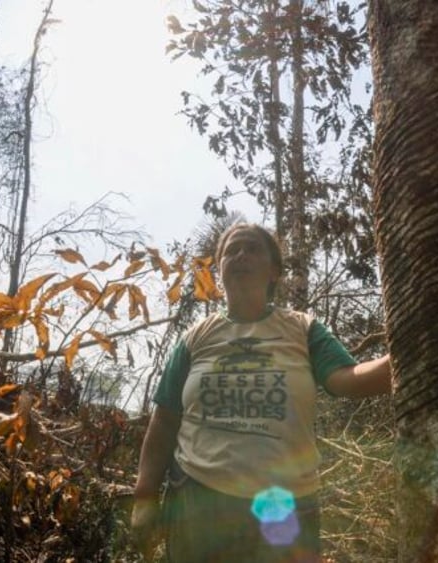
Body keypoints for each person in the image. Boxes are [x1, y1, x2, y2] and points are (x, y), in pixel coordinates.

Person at [131, 223, 392, 562]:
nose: (241, 255)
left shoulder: (302, 329)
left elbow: (347, 379)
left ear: (274, 271)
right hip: (199, 501)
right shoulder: (195, 337)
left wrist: (402, 355)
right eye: (231, 251)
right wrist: (145, 498)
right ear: (219, 269)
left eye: (253, 248)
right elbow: (164, 421)